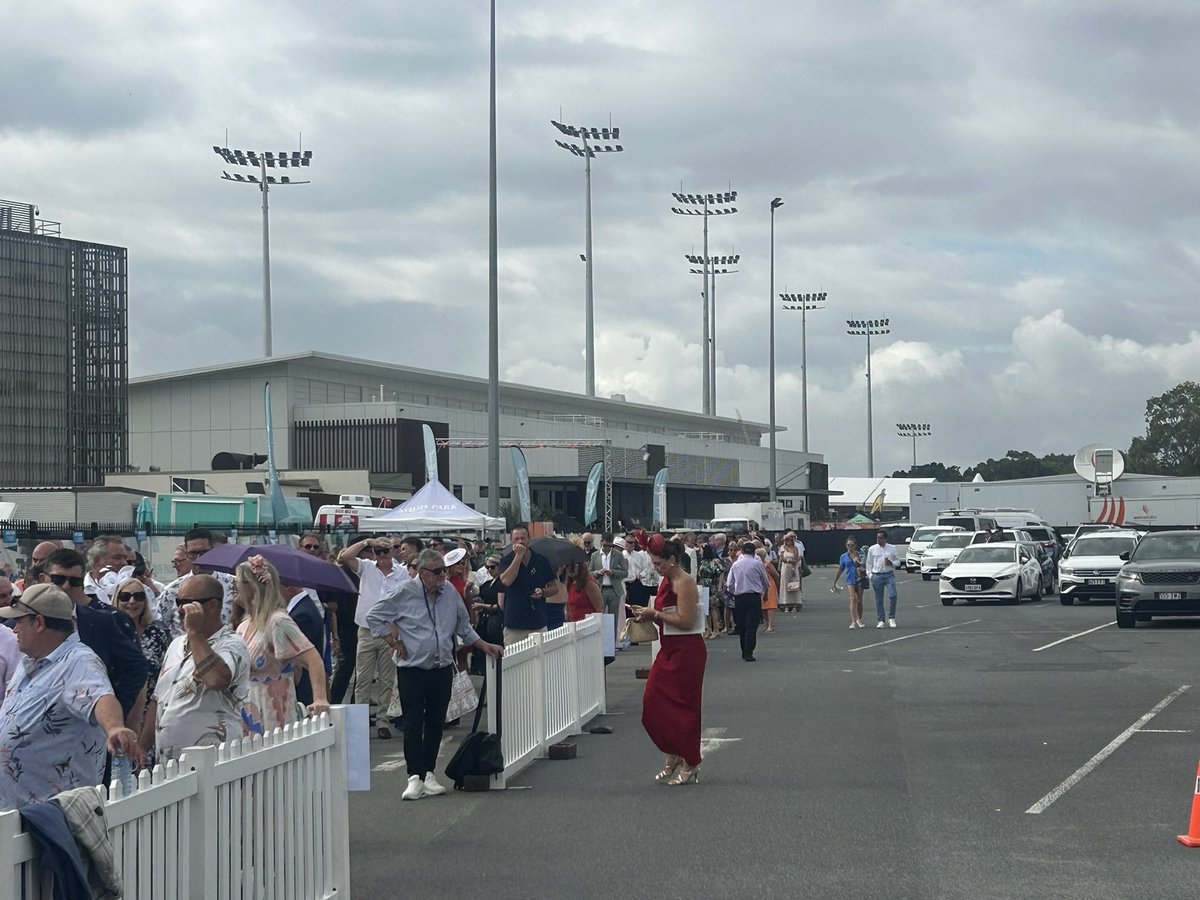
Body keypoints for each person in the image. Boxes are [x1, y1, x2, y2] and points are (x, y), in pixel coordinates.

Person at [367, 549, 503, 801]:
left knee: (435, 722)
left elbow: (464, 627)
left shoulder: (450, 592)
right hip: (412, 669)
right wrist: (391, 640)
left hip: (441, 668)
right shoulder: (404, 592)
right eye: (437, 571)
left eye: (444, 570)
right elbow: (374, 616)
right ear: (422, 573)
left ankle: (428, 772)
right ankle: (414, 776)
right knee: (412, 722)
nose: (443, 575)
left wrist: (485, 646)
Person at [0, 584, 139, 810]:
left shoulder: (78, 661)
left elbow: (100, 696)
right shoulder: (32, 661)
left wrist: (114, 727)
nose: (14, 629)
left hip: (52, 817)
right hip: (21, 813)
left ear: (38, 623)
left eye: (20, 621)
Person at [139, 574, 251, 764]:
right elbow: (158, 699)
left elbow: (216, 680)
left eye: (188, 603)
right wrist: (142, 746)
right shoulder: (175, 645)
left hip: (213, 760)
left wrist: (195, 632)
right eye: (178, 602)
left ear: (213, 605)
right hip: (169, 763)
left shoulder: (232, 644)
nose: (181, 609)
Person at [627, 535, 706, 785]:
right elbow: (665, 615)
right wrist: (647, 616)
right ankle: (672, 753)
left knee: (685, 708)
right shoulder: (665, 581)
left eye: (659, 563)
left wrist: (655, 613)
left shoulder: (685, 582)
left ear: (672, 560)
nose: (656, 568)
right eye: (654, 563)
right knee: (652, 703)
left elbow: (686, 620)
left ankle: (690, 761)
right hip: (669, 649)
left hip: (688, 652)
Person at [40, 548, 148, 723]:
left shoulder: (101, 622)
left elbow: (136, 667)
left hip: (88, 728)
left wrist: (113, 712)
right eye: (58, 579)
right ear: (43, 579)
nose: (66, 587)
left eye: (74, 581)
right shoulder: (21, 623)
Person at [235, 556, 330, 734]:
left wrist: (320, 699)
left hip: (274, 711)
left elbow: (313, 658)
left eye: (240, 583)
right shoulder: (244, 625)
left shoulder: (277, 622)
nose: (236, 588)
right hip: (248, 711)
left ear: (252, 588)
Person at [338, 535, 409, 738]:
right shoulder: (367, 567)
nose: (382, 556)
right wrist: (367, 542)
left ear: (392, 552)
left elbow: (404, 601)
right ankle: (360, 721)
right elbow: (344, 556)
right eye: (378, 552)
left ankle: (382, 721)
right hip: (367, 630)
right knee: (363, 678)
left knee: (387, 679)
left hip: (390, 631)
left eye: (385, 551)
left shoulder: (402, 573)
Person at [113, 576, 173, 731]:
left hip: (150, 713)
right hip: (116, 710)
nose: (132, 602)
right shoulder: (109, 633)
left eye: (138, 596)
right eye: (125, 597)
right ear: (116, 600)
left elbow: (165, 675)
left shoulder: (156, 634)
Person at [154, 528, 237, 636]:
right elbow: (160, 626)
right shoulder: (172, 590)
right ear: (187, 555)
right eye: (193, 553)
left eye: (204, 552)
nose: (199, 558)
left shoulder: (234, 585)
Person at [496, 523, 560, 645]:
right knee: (515, 661)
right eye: (517, 538)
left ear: (528, 539)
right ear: (511, 541)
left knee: (540, 661)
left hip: (538, 623)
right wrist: (518, 556)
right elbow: (506, 581)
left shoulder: (540, 560)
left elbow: (554, 588)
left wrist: (542, 592)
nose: (520, 541)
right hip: (515, 625)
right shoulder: (506, 560)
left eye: (523, 538)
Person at [725, 541, 769, 662]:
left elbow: (729, 584)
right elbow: (765, 580)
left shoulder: (736, 565)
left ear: (742, 551)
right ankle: (749, 651)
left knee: (741, 625)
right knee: (752, 625)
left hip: (739, 597)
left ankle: (744, 650)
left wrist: (734, 591)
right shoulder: (757, 564)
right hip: (754, 596)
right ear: (754, 551)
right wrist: (764, 591)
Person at [866, 529, 903, 628]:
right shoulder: (872, 549)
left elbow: (898, 561)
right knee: (879, 599)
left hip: (889, 574)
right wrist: (870, 575)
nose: (878, 540)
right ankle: (881, 620)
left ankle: (892, 617)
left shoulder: (892, 548)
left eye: (881, 538)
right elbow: (869, 563)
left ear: (885, 538)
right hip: (877, 575)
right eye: (877, 538)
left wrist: (891, 563)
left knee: (893, 595)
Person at [588, 533, 627, 622]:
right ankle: (601, 636)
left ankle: (613, 635)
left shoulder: (618, 555)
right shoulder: (595, 555)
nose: (608, 548)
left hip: (614, 590)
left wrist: (614, 572)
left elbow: (625, 573)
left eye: (610, 546)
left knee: (614, 618)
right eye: (605, 545)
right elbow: (589, 572)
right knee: (599, 617)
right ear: (601, 542)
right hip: (600, 589)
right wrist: (597, 572)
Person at [832, 537, 865, 628]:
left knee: (859, 600)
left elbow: (863, 567)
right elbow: (841, 569)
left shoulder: (860, 554)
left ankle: (859, 619)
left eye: (852, 545)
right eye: (848, 545)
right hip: (850, 579)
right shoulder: (843, 556)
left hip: (859, 579)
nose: (850, 547)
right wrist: (835, 581)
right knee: (852, 598)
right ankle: (853, 621)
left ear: (855, 545)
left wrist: (857, 562)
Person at [695, 544, 724, 640]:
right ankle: (708, 629)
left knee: (712, 608)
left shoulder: (713, 562)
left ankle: (716, 629)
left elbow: (721, 572)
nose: (700, 552)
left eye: (701, 550)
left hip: (711, 586)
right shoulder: (702, 562)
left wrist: (719, 586)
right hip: (702, 586)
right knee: (705, 609)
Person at [777, 532, 805, 612]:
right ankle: (786, 604)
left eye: (791, 540)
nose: (789, 541)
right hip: (785, 568)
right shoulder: (782, 548)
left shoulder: (795, 548)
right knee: (785, 586)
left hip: (793, 568)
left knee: (794, 585)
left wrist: (793, 564)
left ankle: (794, 605)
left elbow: (796, 558)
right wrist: (788, 560)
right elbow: (782, 558)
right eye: (788, 540)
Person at [756, 547, 780, 634]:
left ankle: (771, 625)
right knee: (763, 607)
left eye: (760, 555)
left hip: (770, 586)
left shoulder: (767, 564)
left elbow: (776, 575)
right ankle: (767, 624)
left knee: (770, 606)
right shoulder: (756, 565)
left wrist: (776, 585)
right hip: (760, 587)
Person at [0, 579, 17, 701]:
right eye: (2, 596)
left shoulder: (11, 639)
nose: (9, 601)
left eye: (10, 594)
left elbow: (13, 694)